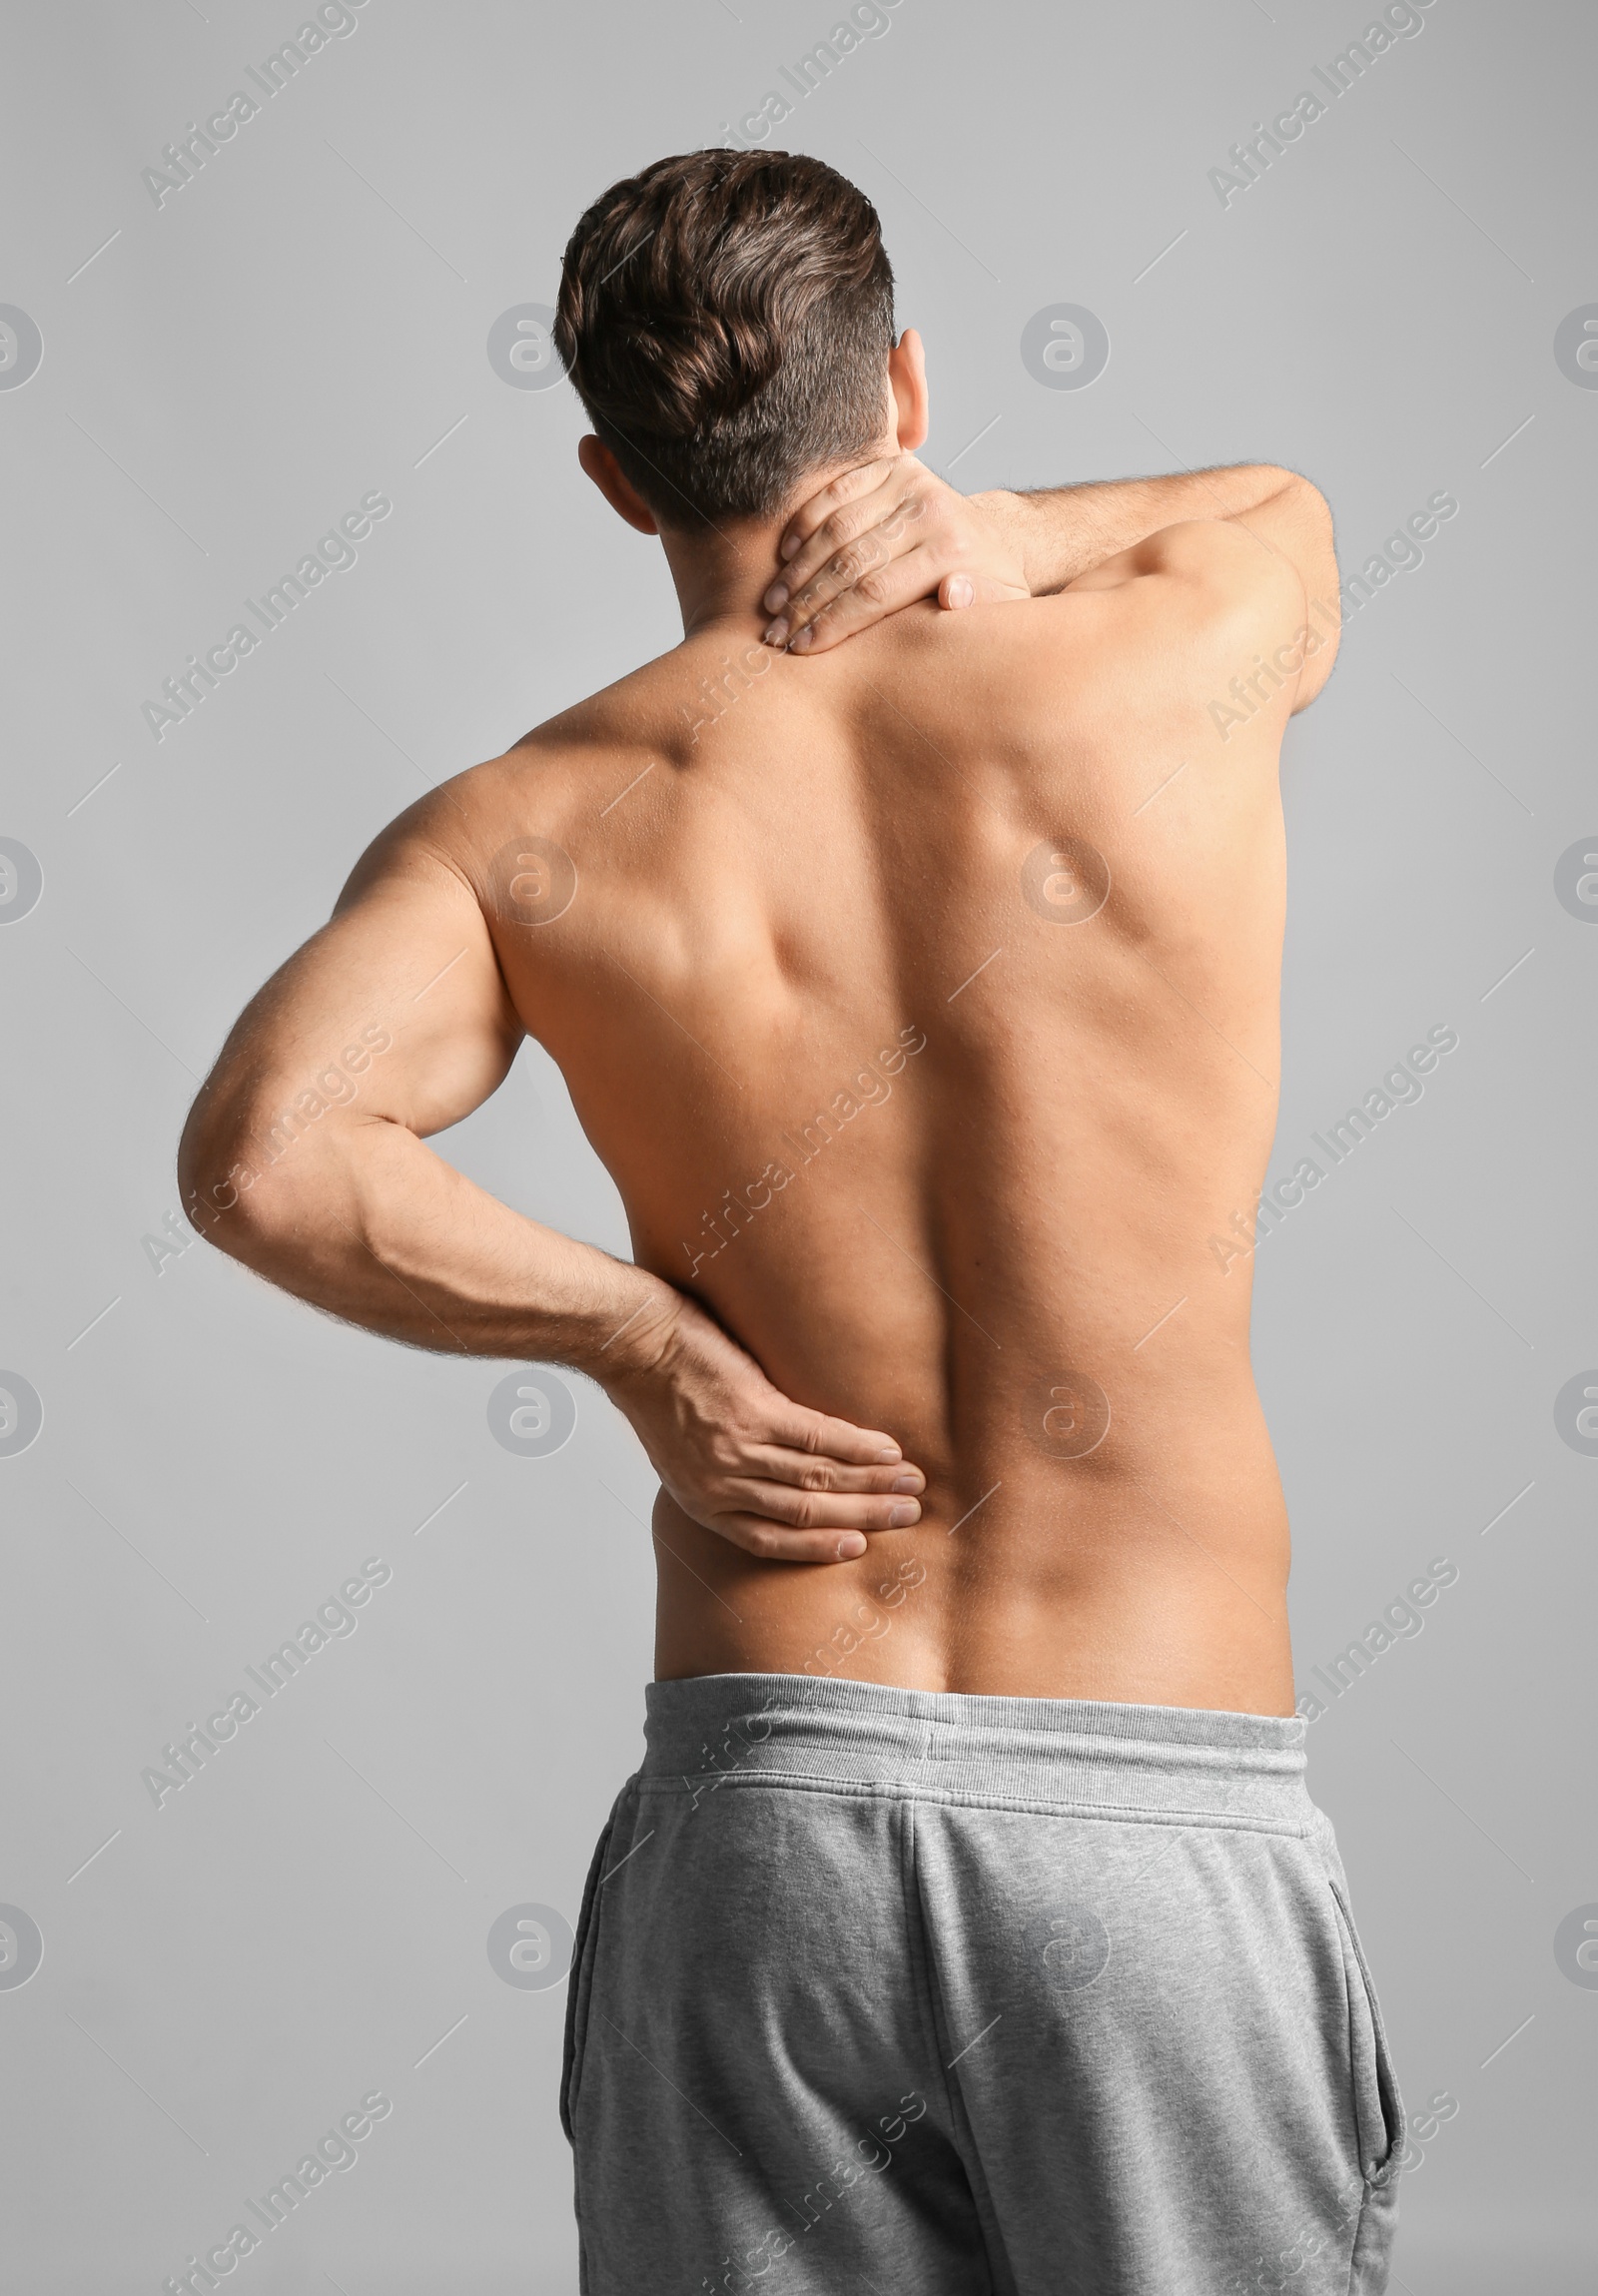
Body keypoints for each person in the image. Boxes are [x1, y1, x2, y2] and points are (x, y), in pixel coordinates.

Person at [178, 149, 1402, 2293]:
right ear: (905, 393)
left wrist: (638, 1349)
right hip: (1146, 1806)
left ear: (609, 478)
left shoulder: (524, 823)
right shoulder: (1153, 667)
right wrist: (1014, 530)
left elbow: (270, 1155)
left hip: (763, 1821)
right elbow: (1287, 516)